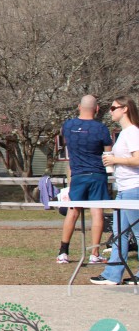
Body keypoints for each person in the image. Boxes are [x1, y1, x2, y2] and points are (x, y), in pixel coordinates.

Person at [57, 95, 112, 265]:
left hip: (78, 174)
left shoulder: (68, 126)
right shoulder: (101, 129)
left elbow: (65, 141)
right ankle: (94, 254)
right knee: (97, 212)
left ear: (79, 106)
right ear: (97, 109)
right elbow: (108, 154)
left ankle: (63, 252)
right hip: (97, 174)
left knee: (73, 211)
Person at [91, 96, 139, 285]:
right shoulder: (124, 133)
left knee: (137, 233)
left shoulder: (132, 132)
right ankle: (112, 274)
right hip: (123, 189)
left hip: (134, 189)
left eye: (113, 108)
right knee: (119, 234)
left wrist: (115, 160)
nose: (110, 111)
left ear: (125, 109)